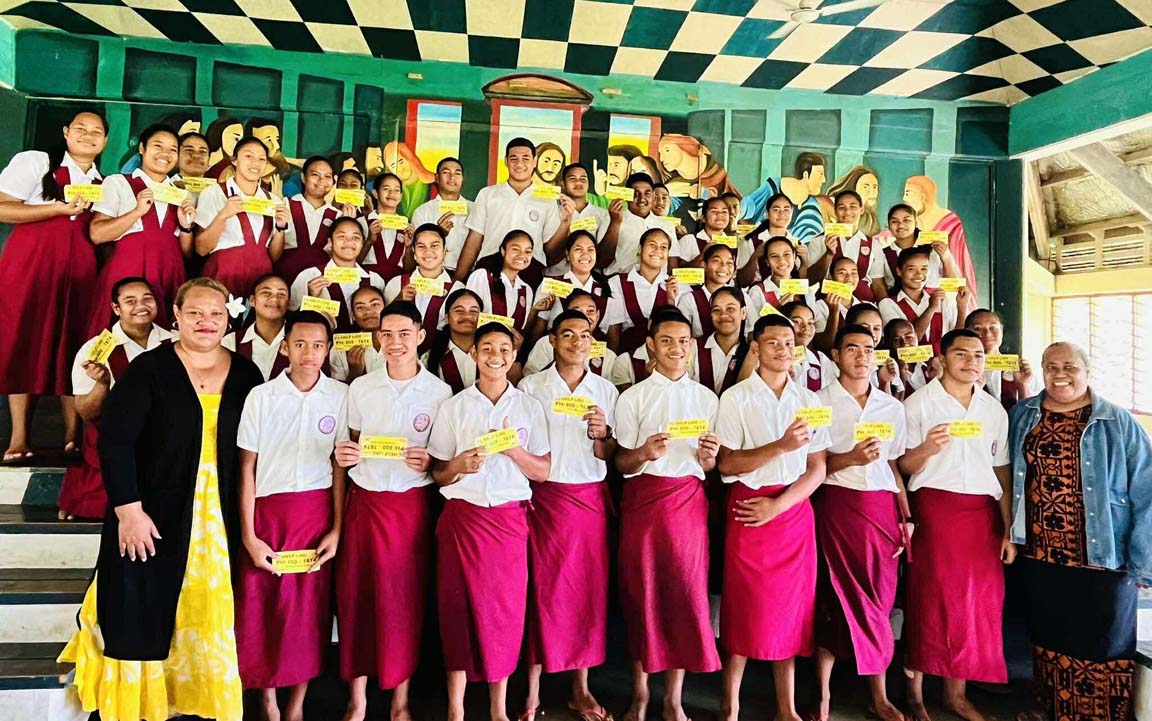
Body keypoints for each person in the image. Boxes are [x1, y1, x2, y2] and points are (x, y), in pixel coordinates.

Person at [58, 277, 264, 721]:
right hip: (150, 515)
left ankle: (199, 701)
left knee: (208, 610)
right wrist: (128, 511)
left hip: (218, 519)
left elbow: (257, 449)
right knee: (141, 609)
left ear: (227, 318)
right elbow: (115, 442)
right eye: (195, 313)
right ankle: (143, 707)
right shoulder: (150, 370)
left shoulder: (247, 373)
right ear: (177, 317)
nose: (206, 322)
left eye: (215, 313)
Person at [1008, 342, 1152, 721]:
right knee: (1049, 639)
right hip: (1041, 554)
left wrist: (1144, 563)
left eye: (1069, 366)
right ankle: (1052, 711)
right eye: (1051, 366)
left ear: (1087, 371)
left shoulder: (1117, 421)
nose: (1060, 375)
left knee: (1102, 644)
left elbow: (1146, 491)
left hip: (1102, 555)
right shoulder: (1024, 414)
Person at [333, 300, 454, 721]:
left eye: (405, 334)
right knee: (357, 598)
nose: (396, 342)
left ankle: (401, 701)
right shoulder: (361, 388)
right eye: (388, 334)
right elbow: (346, 446)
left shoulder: (440, 393)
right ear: (376, 339)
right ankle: (357, 699)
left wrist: (430, 464)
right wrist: (346, 454)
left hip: (410, 511)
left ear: (421, 337)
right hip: (364, 506)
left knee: (403, 602)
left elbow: (445, 462)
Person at [428, 322, 551, 721]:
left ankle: (499, 708)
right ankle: (456, 709)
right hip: (463, 522)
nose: (495, 356)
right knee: (457, 611)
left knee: (505, 615)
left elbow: (543, 472)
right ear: (474, 355)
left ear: (513, 356)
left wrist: (515, 451)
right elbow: (438, 474)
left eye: (503, 349)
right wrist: (458, 466)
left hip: (508, 525)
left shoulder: (529, 407)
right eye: (487, 349)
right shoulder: (455, 405)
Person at [715, 314, 831, 721]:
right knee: (745, 608)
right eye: (773, 342)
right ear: (756, 347)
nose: (783, 349)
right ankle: (731, 706)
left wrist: (781, 505)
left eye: (789, 342)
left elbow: (818, 468)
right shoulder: (736, 398)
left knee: (791, 612)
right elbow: (727, 464)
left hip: (793, 511)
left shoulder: (811, 401)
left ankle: (787, 707)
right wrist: (780, 446)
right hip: (748, 509)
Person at [234, 310, 347, 721]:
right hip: (268, 514)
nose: (309, 353)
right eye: (300, 344)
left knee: (307, 611)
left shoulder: (340, 396)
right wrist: (249, 535)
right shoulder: (261, 397)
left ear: (328, 349)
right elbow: (246, 468)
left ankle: (297, 705)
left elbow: (338, 468)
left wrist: (336, 527)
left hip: (315, 514)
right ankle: (266, 701)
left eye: (318, 345)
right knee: (261, 606)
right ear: (285, 347)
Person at [614, 308, 721, 721]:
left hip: (688, 507)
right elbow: (620, 463)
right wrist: (644, 452)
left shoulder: (706, 398)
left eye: (683, 342)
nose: (676, 349)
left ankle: (673, 698)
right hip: (643, 505)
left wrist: (709, 459)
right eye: (667, 341)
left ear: (692, 348)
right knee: (642, 595)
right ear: (650, 347)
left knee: (684, 597)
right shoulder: (634, 397)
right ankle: (641, 693)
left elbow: (707, 468)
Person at [899, 329, 1013, 721]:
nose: (971, 361)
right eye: (961, 354)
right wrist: (928, 448)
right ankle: (914, 693)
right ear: (943, 357)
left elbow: (1001, 469)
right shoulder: (918, 405)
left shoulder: (991, 409)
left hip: (981, 517)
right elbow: (902, 467)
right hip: (935, 511)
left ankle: (956, 694)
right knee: (929, 598)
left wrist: (1008, 527)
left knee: (973, 606)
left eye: (979, 355)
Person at [517, 309, 619, 721]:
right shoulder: (532, 386)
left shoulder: (606, 390)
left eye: (585, 335)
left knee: (585, 594)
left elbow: (610, 456)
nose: (577, 342)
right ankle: (531, 693)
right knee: (541, 592)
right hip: (545, 500)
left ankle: (581, 687)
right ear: (553, 341)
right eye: (568, 335)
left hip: (588, 500)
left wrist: (602, 436)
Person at [811, 324, 911, 721]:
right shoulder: (817, 402)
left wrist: (907, 516)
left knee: (879, 602)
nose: (860, 356)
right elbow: (813, 467)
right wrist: (849, 458)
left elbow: (893, 466)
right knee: (832, 601)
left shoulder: (892, 407)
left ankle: (879, 693)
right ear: (835, 355)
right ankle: (822, 696)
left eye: (868, 349)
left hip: (881, 511)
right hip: (837, 506)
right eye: (851, 349)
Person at [0, 108, 107, 463]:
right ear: (65, 132)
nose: (88, 135)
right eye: (80, 128)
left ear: (105, 140)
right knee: (23, 340)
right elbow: (3, 208)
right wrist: (56, 210)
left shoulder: (104, 181)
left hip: (80, 271)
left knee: (73, 344)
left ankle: (72, 437)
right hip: (32, 263)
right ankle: (18, 438)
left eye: (96, 131)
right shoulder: (36, 162)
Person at [58, 278, 172, 521]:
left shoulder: (175, 341)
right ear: (115, 308)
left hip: (169, 435)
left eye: (147, 299)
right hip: (118, 437)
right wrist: (102, 384)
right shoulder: (95, 349)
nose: (140, 306)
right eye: (130, 301)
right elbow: (86, 412)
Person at [89, 124, 194, 330]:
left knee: (166, 335)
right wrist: (136, 212)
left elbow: (187, 252)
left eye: (173, 149)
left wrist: (186, 227)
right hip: (128, 270)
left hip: (169, 272)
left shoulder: (180, 193)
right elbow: (97, 234)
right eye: (158, 146)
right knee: (117, 332)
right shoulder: (118, 182)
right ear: (142, 149)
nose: (165, 154)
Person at [455, 138, 568, 286]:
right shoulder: (487, 194)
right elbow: (474, 240)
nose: (519, 164)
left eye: (525, 158)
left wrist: (566, 222)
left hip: (530, 269)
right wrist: (457, 281)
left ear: (534, 162)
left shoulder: (547, 199)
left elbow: (550, 250)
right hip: (490, 266)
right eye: (513, 158)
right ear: (506, 161)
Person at [195, 136, 290, 298]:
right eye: (248, 156)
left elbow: (273, 256)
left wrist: (280, 227)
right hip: (223, 272)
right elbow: (201, 249)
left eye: (262, 159)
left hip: (260, 276)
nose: (256, 163)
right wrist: (223, 215)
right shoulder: (214, 193)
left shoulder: (272, 201)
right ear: (234, 160)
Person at [289, 217, 385, 332]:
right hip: (324, 347)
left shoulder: (375, 279)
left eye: (356, 237)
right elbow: (292, 320)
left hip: (366, 348)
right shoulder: (310, 276)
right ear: (330, 242)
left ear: (362, 243)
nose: (349, 242)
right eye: (341, 236)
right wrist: (311, 298)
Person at [385, 223, 463, 352]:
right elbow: (384, 324)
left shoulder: (458, 289)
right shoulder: (396, 283)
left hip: (440, 358)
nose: (428, 252)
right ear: (414, 252)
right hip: (400, 354)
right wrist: (399, 299)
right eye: (421, 246)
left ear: (444, 251)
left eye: (434, 245)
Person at [605, 228, 684, 355]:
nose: (658, 251)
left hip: (665, 356)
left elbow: (680, 330)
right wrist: (613, 360)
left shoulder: (678, 285)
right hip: (628, 355)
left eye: (663, 247)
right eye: (652, 245)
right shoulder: (617, 283)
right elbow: (614, 329)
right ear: (640, 249)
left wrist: (671, 301)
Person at [878, 246, 968, 354]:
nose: (919, 274)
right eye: (911, 269)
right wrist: (931, 308)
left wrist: (962, 307)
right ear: (899, 271)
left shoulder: (942, 299)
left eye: (924, 269)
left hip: (945, 366)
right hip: (910, 368)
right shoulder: (888, 304)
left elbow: (958, 338)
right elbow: (909, 341)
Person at [902, 176, 978, 299]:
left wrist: (945, 255)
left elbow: (957, 260)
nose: (904, 199)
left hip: (943, 292)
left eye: (908, 193)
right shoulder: (913, 220)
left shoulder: (949, 221)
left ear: (922, 196)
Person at [807, 191, 884, 302]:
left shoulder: (873, 244)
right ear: (835, 211)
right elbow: (811, 279)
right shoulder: (819, 240)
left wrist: (884, 309)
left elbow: (878, 284)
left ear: (861, 210)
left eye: (853, 207)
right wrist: (828, 254)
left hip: (862, 304)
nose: (847, 212)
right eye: (841, 207)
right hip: (828, 302)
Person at [523, 290, 618, 379]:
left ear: (597, 316)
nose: (584, 316)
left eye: (590, 311)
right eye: (576, 311)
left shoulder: (609, 356)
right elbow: (529, 381)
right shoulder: (546, 344)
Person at [277, 155, 341, 283]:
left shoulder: (338, 215)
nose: (321, 180)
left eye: (327, 176)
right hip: (285, 277)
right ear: (303, 177)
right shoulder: (285, 205)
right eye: (315, 175)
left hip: (321, 283)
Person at [599, 173, 678, 276]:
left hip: (656, 286)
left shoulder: (666, 226)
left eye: (647, 193)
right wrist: (615, 223)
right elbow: (601, 262)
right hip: (619, 283)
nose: (642, 199)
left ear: (653, 196)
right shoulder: (611, 219)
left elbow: (672, 267)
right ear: (627, 196)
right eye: (635, 194)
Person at [465, 230, 539, 334]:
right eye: (516, 249)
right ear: (503, 251)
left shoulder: (526, 290)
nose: (522, 255)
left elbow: (520, 329)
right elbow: (468, 316)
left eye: (528, 251)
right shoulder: (482, 276)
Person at [878, 204, 959, 296]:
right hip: (900, 306)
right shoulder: (883, 254)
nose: (900, 225)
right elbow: (880, 287)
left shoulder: (934, 249)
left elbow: (954, 285)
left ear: (916, 223)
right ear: (888, 226)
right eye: (894, 221)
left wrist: (946, 257)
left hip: (937, 304)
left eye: (906, 220)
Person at [965, 308, 1036, 412]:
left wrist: (1022, 384)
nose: (987, 334)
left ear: (1001, 332)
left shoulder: (1020, 369)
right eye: (978, 329)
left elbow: (1030, 413)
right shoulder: (959, 369)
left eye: (993, 328)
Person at [223, 274, 290, 382]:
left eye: (281, 294)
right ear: (252, 300)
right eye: (266, 293)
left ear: (288, 303)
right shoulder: (230, 342)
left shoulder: (299, 342)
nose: (274, 298)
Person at [551, 163, 615, 275]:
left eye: (583, 179)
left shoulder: (602, 214)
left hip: (589, 279)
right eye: (572, 179)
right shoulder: (552, 211)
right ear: (563, 184)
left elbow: (603, 254)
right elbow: (548, 252)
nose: (578, 182)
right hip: (557, 277)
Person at [410, 157, 472, 274]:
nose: (452, 177)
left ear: (462, 179)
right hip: (435, 274)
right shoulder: (423, 211)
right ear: (437, 178)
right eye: (446, 172)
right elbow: (416, 248)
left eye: (457, 173)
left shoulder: (474, 209)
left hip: (471, 271)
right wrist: (439, 234)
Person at [689, 287, 749, 397]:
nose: (723, 315)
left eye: (730, 309)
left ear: (743, 313)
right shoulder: (693, 347)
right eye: (717, 310)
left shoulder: (751, 352)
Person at [422, 288, 481, 393]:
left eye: (474, 311)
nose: (467, 316)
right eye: (459, 311)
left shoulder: (493, 355)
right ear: (447, 318)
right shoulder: (429, 359)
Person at [745, 237, 816, 320]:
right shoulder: (757, 291)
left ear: (794, 256)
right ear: (767, 262)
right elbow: (753, 327)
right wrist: (775, 309)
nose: (781, 260)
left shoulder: (807, 292)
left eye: (786, 254)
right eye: (774, 256)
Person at [675, 243, 737, 338]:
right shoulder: (689, 300)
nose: (724, 267)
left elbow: (750, 332)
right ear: (704, 265)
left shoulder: (742, 297)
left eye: (729, 263)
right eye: (716, 261)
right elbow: (680, 334)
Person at [737, 193, 800, 286]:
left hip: (790, 293)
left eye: (786, 210)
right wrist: (755, 256)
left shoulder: (797, 243)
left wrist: (805, 260)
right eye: (776, 209)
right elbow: (742, 281)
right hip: (758, 295)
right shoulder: (750, 241)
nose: (782, 214)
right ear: (767, 214)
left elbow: (800, 278)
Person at [328, 286, 387, 383]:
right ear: (353, 316)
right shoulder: (340, 349)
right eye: (360, 307)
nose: (368, 311)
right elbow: (338, 393)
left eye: (375, 304)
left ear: (386, 308)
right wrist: (355, 371)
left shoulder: (401, 342)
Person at [362, 172, 413, 282]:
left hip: (396, 284)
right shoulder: (362, 222)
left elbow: (409, 269)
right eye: (386, 189)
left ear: (401, 196)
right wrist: (369, 241)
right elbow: (353, 262)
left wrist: (409, 247)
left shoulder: (406, 227)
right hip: (368, 282)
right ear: (375, 193)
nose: (392, 193)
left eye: (397, 190)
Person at [679, 197, 732, 266]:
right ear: (703, 218)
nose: (720, 214)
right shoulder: (689, 240)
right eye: (714, 211)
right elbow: (680, 270)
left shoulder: (734, 244)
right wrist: (702, 255)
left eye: (724, 212)